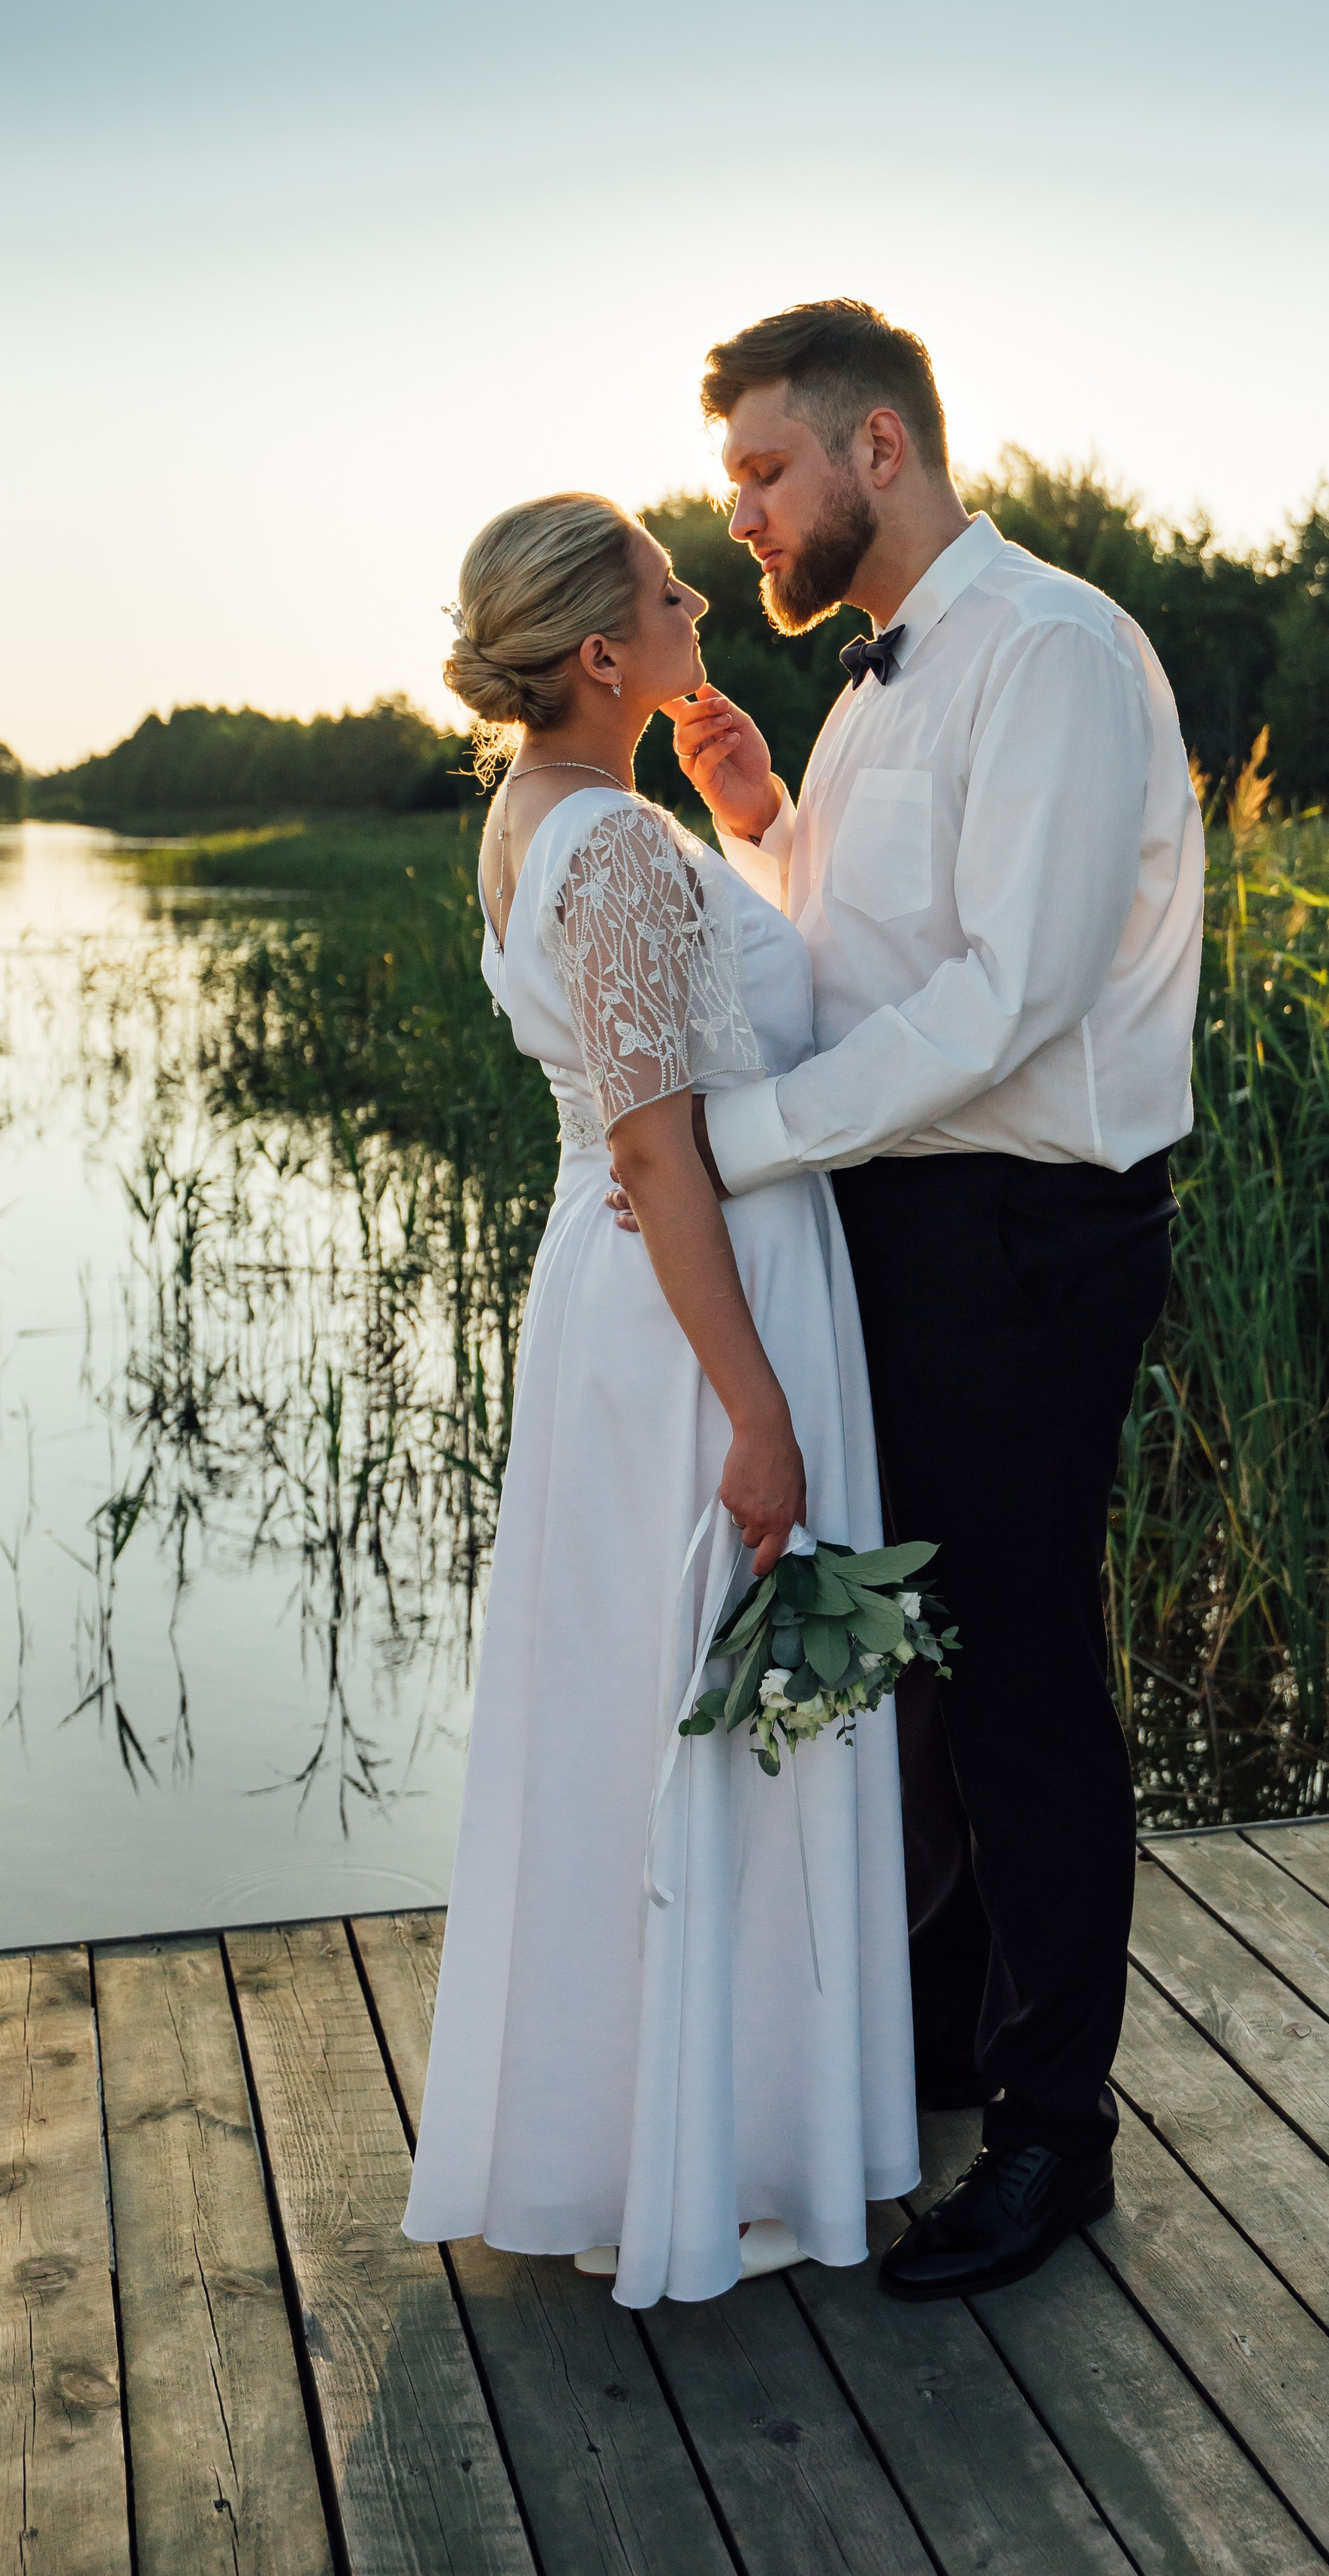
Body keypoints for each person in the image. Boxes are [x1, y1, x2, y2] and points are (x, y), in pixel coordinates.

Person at [649, 299, 1205, 2300]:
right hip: (908, 1218)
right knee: (931, 1659)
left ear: (875, 449)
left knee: (1024, 1670)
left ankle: (1059, 2134)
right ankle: (961, 2040)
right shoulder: (878, 682)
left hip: (1027, 1233)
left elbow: (1009, 998)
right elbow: (870, 952)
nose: (740, 518)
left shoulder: (1048, 651)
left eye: (762, 472)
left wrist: (742, 1142)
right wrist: (765, 825)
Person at [400, 490, 918, 2310]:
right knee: (706, 1711)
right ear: (603, 652)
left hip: (635, 1303)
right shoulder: (608, 843)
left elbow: (677, 1055)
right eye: (666, 586)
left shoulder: (543, 815)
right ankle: (697, 2154)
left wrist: (750, 827)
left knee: (647, 1701)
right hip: (694, 1315)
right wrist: (757, 1413)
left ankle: (664, 2122)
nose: (701, 595)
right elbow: (654, 1141)